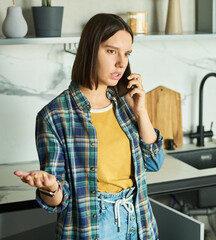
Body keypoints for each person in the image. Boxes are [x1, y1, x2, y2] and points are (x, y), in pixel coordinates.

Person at [13, 13, 165, 240]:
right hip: (93, 231)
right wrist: (51, 186)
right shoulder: (54, 116)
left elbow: (155, 162)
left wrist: (141, 111)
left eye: (127, 54)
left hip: (140, 226)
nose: (121, 63)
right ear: (90, 50)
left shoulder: (125, 105)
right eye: (111, 51)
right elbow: (57, 202)